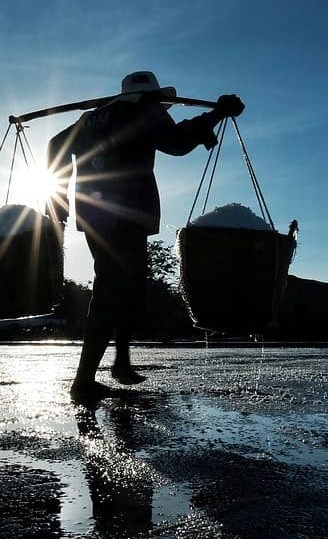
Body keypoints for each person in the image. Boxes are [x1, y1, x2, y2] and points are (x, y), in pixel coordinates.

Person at [47, 71, 244, 399]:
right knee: (114, 286)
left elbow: (55, 146)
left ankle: (121, 362)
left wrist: (59, 204)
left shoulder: (94, 118)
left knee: (127, 284)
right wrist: (215, 113)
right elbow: (177, 141)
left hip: (94, 213)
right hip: (126, 214)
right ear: (150, 96)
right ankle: (83, 381)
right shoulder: (145, 112)